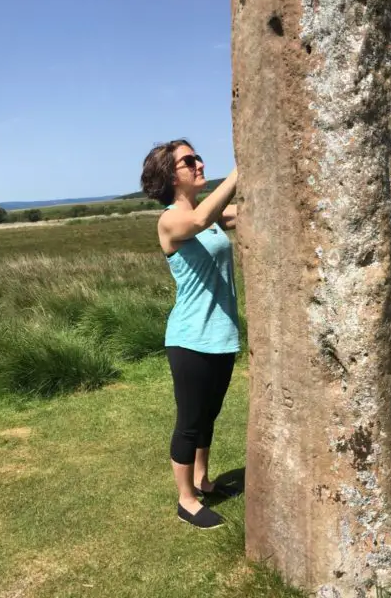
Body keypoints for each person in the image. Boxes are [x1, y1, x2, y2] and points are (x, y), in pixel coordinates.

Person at [140, 139, 243, 530]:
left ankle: (203, 480)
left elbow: (231, 214)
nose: (199, 163)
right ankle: (186, 500)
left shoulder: (211, 215)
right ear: (171, 175)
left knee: (209, 415)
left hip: (220, 334)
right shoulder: (170, 220)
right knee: (189, 420)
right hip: (189, 338)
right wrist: (242, 168)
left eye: (197, 156)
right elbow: (198, 221)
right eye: (189, 160)